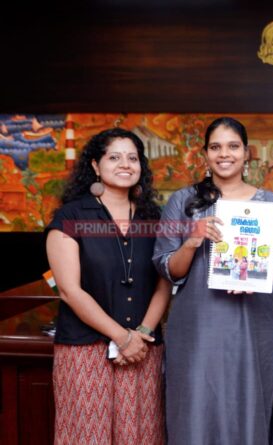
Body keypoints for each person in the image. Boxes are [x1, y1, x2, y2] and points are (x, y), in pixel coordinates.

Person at [152, 117, 273, 445]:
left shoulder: (270, 204)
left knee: (247, 409)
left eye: (233, 146)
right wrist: (192, 240)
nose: (224, 154)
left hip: (253, 326)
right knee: (195, 410)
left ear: (247, 153)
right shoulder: (183, 202)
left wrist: (258, 275)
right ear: (205, 154)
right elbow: (167, 268)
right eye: (216, 147)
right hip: (198, 328)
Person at [45, 128, 170, 444]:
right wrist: (122, 338)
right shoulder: (71, 217)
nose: (125, 164)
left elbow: (164, 283)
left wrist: (141, 334)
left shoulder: (153, 218)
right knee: (87, 436)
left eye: (133, 158)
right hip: (85, 350)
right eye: (114, 157)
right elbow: (70, 291)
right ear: (96, 166)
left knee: (140, 436)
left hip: (143, 350)